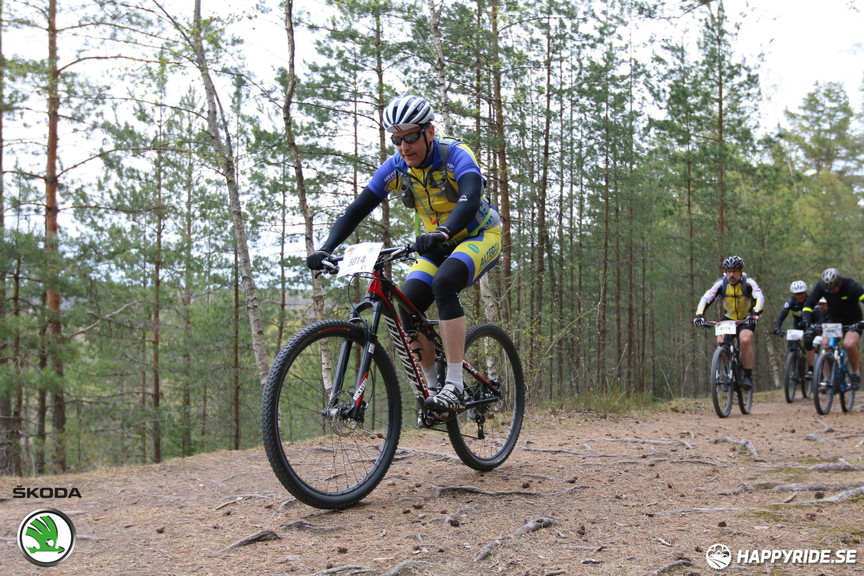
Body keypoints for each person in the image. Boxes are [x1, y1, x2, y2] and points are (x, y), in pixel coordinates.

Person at [306, 95, 502, 413]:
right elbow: (357, 209)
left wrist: (443, 232)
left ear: (430, 132)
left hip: (478, 235)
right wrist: (326, 248)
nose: (404, 146)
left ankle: (454, 384)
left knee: (444, 283)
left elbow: (469, 196)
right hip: (436, 245)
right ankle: (434, 389)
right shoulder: (397, 167)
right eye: (397, 139)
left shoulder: (454, 155)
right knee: (408, 304)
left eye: (411, 137)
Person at [692, 255, 766, 391]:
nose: (731, 274)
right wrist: (699, 315)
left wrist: (755, 313)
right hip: (728, 318)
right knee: (721, 342)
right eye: (729, 271)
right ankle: (728, 373)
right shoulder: (721, 284)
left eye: (735, 271)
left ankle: (747, 375)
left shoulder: (748, 282)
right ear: (725, 272)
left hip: (746, 319)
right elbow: (706, 298)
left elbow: (759, 296)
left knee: (744, 340)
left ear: (740, 271)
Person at [801, 268, 864, 390]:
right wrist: (807, 321)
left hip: (853, 321)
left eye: (833, 288)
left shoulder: (851, 285)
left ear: (839, 282)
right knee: (824, 345)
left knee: (849, 345)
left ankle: (856, 373)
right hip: (833, 320)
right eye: (828, 290)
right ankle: (826, 379)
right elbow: (809, 304)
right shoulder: (821, 287)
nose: (831, 292)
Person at [773, 280, 817, 376]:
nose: (800, 296)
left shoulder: (810, 301)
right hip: (797, 325)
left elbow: (818, 315)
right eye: (797, 294)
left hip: (811, 325)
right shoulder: (791, 302)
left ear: (805, 292)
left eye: (801, 293)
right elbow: (782, 315)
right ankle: (793, 369)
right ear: (793, 295)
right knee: (791, 345)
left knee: (808, 343)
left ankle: (811, 369)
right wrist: (777, 328)